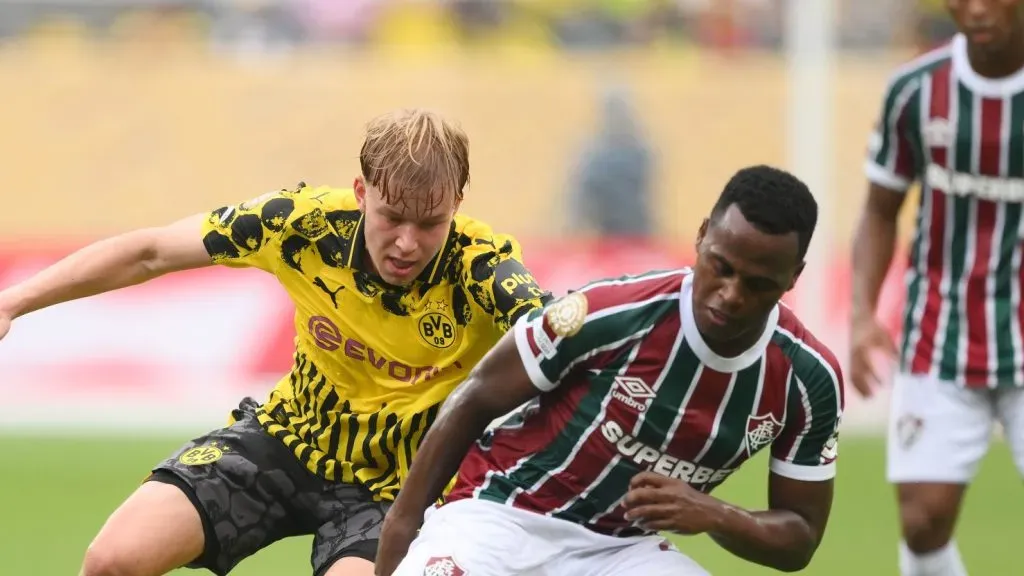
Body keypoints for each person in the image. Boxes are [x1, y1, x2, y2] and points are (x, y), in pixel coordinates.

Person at [0, 109, 551, 576]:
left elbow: (565, 342)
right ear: (362, 193)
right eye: (392, 217)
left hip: (398, 487)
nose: (407, 243)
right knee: (111, 560)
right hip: (286, 440)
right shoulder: (300, 224)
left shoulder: (482, 267)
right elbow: (150, 251)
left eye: (430, 223)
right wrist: (12, 301)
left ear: (457, 201)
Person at [375, 165, 845, 576]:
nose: (731, 294)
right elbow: (476, 397)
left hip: (622, 549)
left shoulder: (809, 381)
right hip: (503, 515)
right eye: (721, 267)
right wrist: (401, 526)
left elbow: (799, 537)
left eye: (759, 284)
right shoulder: (609, 313)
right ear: (702, 236)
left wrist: (714, 514)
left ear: (794, 277)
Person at [852, 2, 1024, 574]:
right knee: (922, 521)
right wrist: (860, 315)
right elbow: (880, 209)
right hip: (939, 337)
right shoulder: (916, 90)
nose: (975, 7)